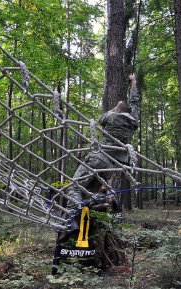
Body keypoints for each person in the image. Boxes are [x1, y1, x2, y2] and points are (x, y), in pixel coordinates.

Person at [57, 74, 140, 271]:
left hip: (98, 159)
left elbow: (102, 119)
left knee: (74, 187)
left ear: (116, 109)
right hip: (111, 166)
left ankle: (74, 220)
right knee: (88, 193)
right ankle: (86, 229)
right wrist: (133, 83)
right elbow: (135, 103)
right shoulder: (133, 120)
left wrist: (114, 108)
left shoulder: (110, 116)